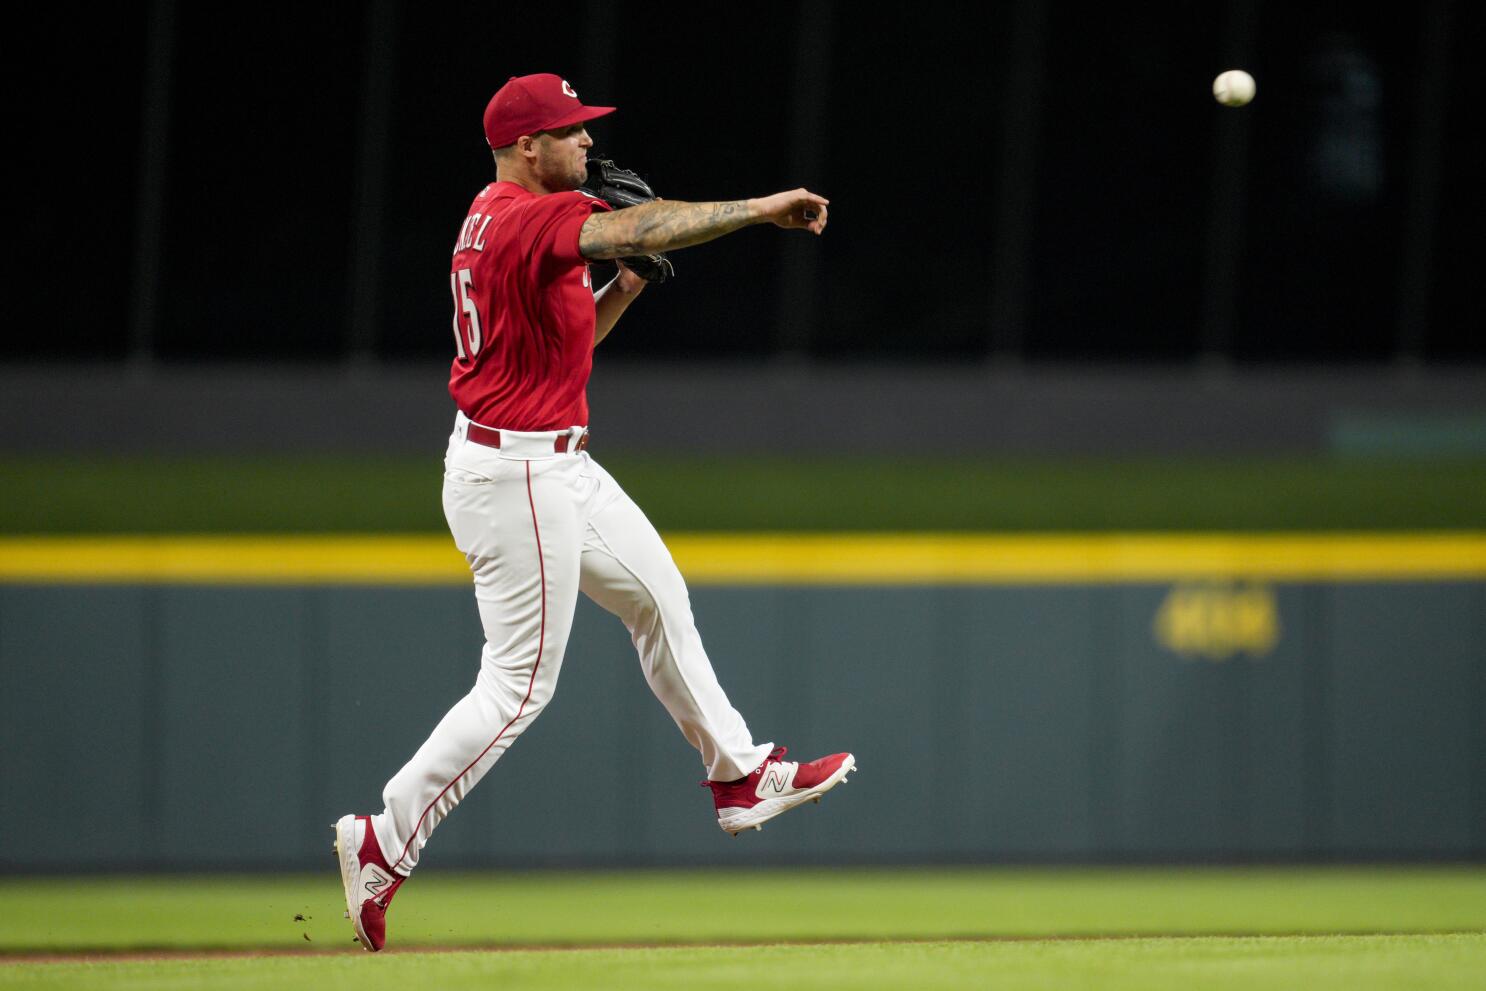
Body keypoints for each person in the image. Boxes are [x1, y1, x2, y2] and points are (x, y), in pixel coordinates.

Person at [334, 73, 855, 953]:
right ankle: (385, 838)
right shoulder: (524, 214)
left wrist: (626, 290)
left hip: (552, 460)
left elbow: (570, 339)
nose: (587, 144)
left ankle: (738, 776)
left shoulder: (506, 217)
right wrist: (761, 209)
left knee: (659, 596)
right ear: (527, 148)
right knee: (517, 684)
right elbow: (640, 223)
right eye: (571, 133)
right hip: (518, 477)